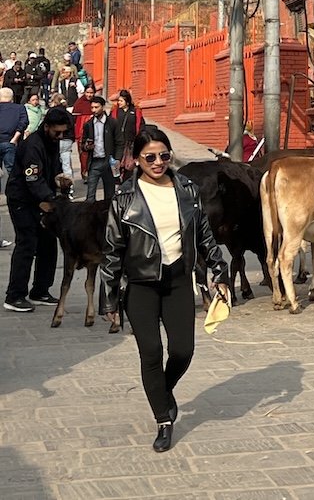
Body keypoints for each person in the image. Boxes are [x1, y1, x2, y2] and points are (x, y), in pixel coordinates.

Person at [100, 126, 229, 453]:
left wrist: (219, 270)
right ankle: (163, 418)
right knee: (152, 353)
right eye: (150, 157)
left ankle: (162, 391)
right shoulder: (125, 197)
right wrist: (109, 298)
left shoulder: (187, 189)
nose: (158, 162)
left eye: (164, 155)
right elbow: (112, 249)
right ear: (137, 160)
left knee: (183, 350)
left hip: (177, 280)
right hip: (141, 285)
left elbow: (204, 235)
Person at [3, 106, 69, 312]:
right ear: (46, 126)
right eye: (56, 132)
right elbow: (32, 179)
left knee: (48, 243)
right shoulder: (33, 145)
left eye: (63, 132)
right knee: (27, 243)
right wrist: (51, 199)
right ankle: (15, 295)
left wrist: (60, 179)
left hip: (41, 197)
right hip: (22, 198)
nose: (60, 136)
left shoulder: (52, 142)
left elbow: (54, 167)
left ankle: (40, 290)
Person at [0, 87, 29, 249]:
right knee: (12, 171)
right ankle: (14, 194)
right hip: (11, 141)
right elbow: (24, 122)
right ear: (11, 98)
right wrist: (15, 138)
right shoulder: (19, 108)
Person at [80, 95, 123, 201]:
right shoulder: (88, 125)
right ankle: (89, 216)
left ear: (103, 107)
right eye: (92, 107)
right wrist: (86, 146)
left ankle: (108, 215)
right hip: (94, 162)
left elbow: (119, 142)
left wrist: (117, 159)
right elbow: (83, 144)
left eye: (96, 107)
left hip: (108, 162)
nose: (94, 110)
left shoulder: (112, 123)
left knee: (110, 194)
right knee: (90, 195)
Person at [111, 89, 145, 183]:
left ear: (127, 101)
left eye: (121, 101)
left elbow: (140, 125)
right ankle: (117, 181)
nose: (119, 103)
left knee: (129, 165)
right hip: (118, 143)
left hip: (130, 142)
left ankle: (127, 181)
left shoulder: (135, 111)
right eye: (118, 101)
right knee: (117, 163)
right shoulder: (115, 112)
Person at [48, 93, 75, 190]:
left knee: (54, 163)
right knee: (67, 164)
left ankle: (55, 185)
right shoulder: (68, 113)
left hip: (56, 140)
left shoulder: (53, 112)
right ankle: (69, 188)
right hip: (68, 140)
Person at [72, 83, 95, 181]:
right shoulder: (79, 103)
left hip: (95, 133)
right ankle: (84, 172)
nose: (89, 95)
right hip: (81, 134)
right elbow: (74, 119)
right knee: (84, 155)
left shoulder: (96, 103)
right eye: (88, 92)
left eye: (91, 93)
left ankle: (92, 173)